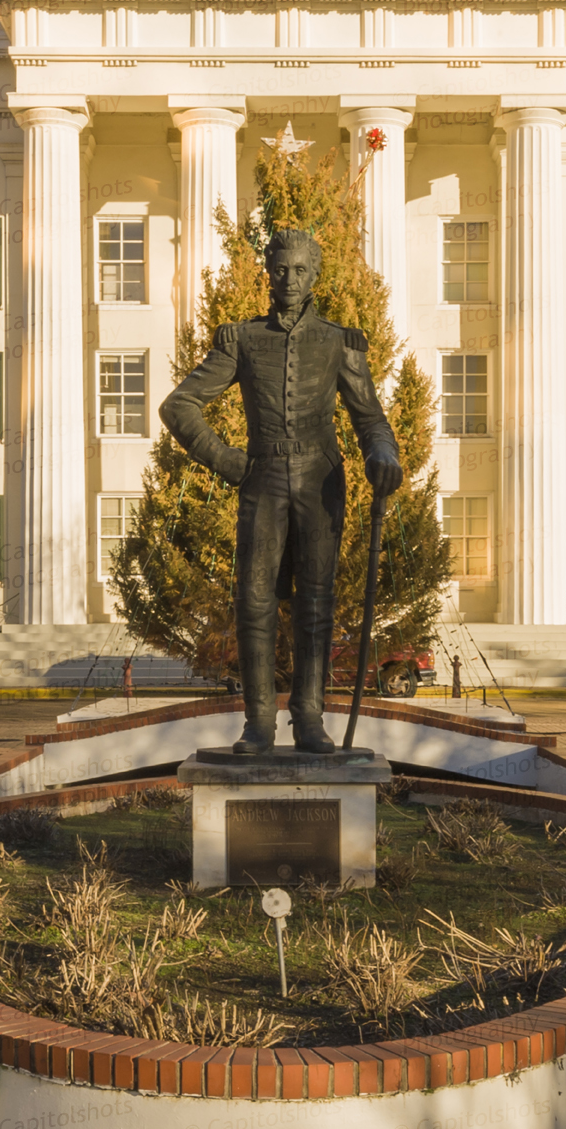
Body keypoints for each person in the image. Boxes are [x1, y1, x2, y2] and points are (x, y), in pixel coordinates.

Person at [160, 228, 401, 754]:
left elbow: (370, 419)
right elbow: (179, 406)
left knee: (317, 601)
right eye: (280, 269)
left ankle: (310, 718)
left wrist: (383, 455)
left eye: (300, 270)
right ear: (268, 274)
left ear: (315, 276)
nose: (289, 279)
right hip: (263, 479)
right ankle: (258, 723)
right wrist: (226, 460)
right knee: (254, 600)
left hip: (320, 481)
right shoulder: (243, 340)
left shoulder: (337, 342)